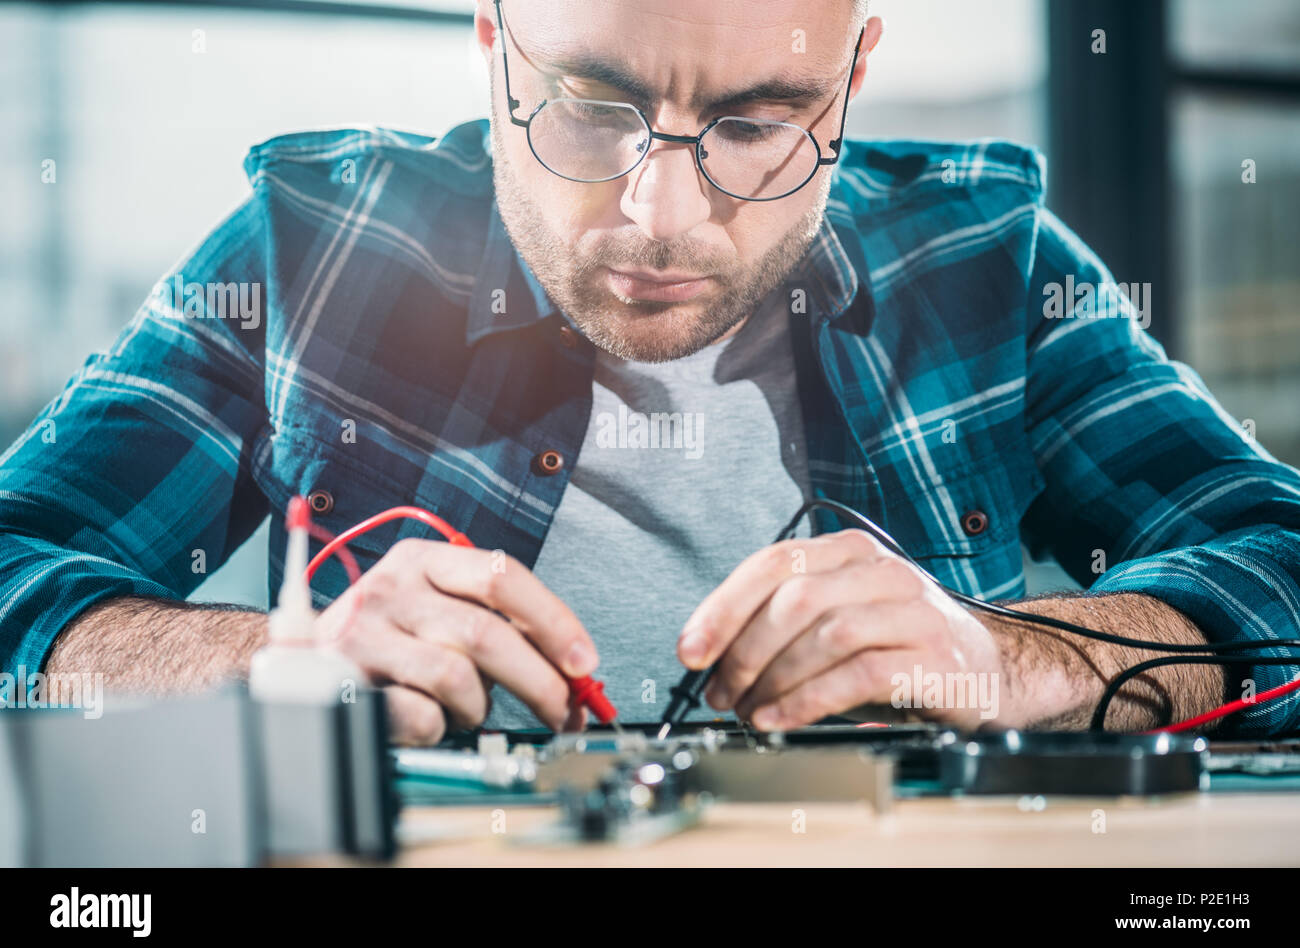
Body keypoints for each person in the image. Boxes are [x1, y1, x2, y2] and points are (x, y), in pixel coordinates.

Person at [4, 0, 1298, 743]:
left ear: (852, 78)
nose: (659, 216)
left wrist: (1009, 658)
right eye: (587, 104)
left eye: (752, 124)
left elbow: (1277, 554)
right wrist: (276, 668)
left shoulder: (983, 263)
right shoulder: (316, 242)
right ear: (491, 42)